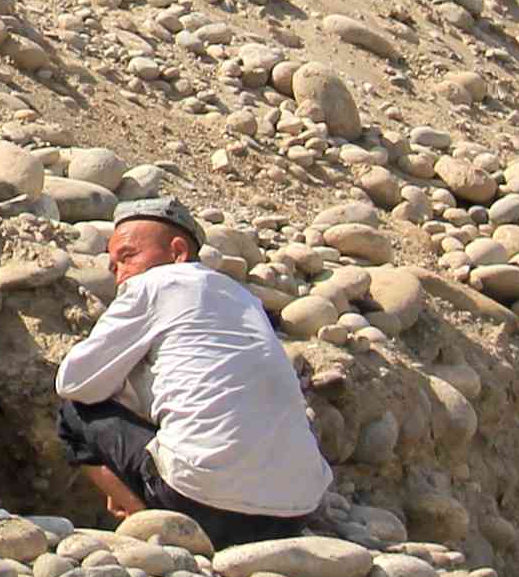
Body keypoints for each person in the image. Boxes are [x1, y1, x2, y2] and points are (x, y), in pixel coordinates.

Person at [52, 195, 334, 544]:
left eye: (128, 257)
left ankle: (152, 527)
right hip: (294, 515)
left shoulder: (157, 284)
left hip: (201, 505)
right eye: (113, 267)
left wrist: (120, 482)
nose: (121, 275)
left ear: (177, 252)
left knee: (75, 413)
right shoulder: (245, 299)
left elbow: (74, 383)